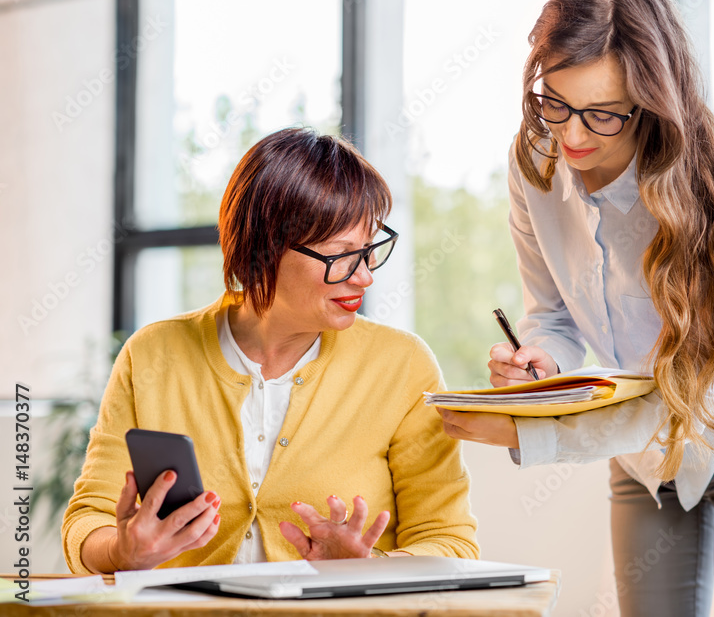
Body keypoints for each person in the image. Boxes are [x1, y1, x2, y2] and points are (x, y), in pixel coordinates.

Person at [437, 0, 714, 617]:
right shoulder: (534, 162)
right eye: (554, 102)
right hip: (642, 455)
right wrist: (542, 367)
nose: (574, 135)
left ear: (650, 103)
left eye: (602, 114)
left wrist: (530, 436)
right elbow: (551, 312)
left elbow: (694, 391)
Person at [63, 128, 479, 574]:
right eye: (340, 256)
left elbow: (450, 540)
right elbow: (89, 518)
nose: (364, 278)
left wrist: (370, 568)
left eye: (370, 250)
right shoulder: (152, 354)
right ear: (263, 250)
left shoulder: (402, 366)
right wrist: (120, 552)